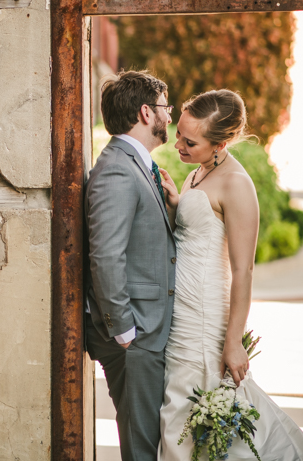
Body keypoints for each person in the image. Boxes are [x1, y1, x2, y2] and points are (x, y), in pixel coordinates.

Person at [157, 89, 303, 460]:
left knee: (187, 420)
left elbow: (243, 269)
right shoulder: (198, 173)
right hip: (181, 311)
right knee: (184, 418)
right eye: (180, 133)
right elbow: (195, 233)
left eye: (191, 141)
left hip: (204, 317)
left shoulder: (236, 183)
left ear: (222, 142)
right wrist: (175, 205)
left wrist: (233, 341)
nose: (179, 144)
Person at [85, 70, 178, 461]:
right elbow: (106, 254)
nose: (169, 117)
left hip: (146, 331)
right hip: (135, 336)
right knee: (141, 450)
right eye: (164, 108)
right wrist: (124, 331)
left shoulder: (137, 164)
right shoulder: (118, 169)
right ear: (145, 112)